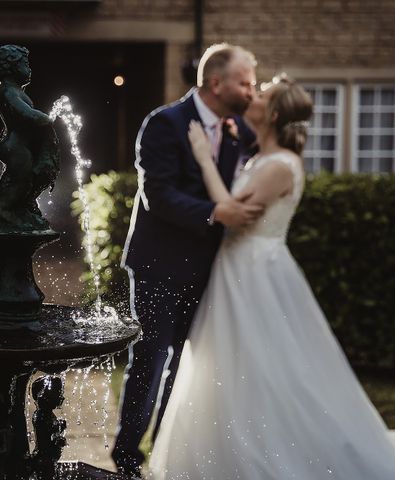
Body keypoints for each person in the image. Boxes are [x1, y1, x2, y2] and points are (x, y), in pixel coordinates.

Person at [148, 75, 395, 479]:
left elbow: (233, 212)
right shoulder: (257, 158)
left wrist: (203, 157)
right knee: (226, 367)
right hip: (235, 270)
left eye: (262, 94)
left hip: (256, 274)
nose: (253, 96)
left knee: (263, 369)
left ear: (271, 114)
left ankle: (268, 451)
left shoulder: (280, 166)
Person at [113, 44, 262, 477]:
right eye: (244, 83)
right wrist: (215, 213)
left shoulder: (241, 130)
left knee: (188, 364)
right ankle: (126, 456)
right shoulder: (165, 124)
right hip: (160, 263)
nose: (251, 92)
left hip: (214, 267)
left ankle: (166, 449)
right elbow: (158, 195)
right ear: (217, 83)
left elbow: (262, 159)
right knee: (151, 358)